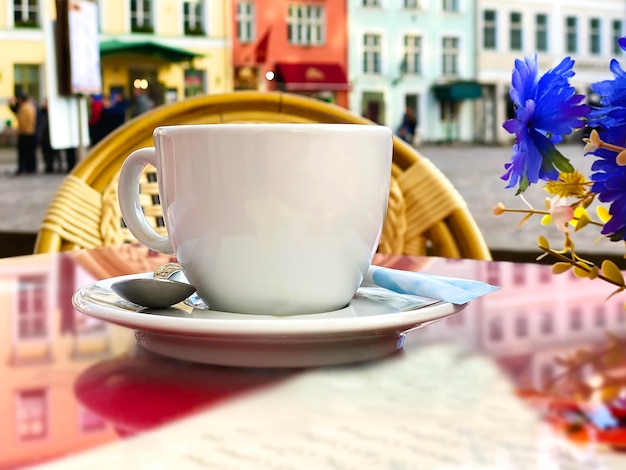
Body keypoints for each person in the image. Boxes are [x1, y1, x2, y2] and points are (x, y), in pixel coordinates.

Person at [7, 92, 37, 176]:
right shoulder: (29, 106)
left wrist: (18, 130)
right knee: (30, 153)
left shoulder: (25, 108)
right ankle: (30, 168)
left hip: (25, 133)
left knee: (24, 153)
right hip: (29, 133)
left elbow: (22, 121)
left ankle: (25, 168)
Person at [36, 98, 60, 173]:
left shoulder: (53, 113)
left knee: (54, 153)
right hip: (44, 136)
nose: (44, 104)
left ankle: (57, 166)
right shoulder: (41, 112)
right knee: (46, 153)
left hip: (52, 136)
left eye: (45, 103)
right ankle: (48, 167)